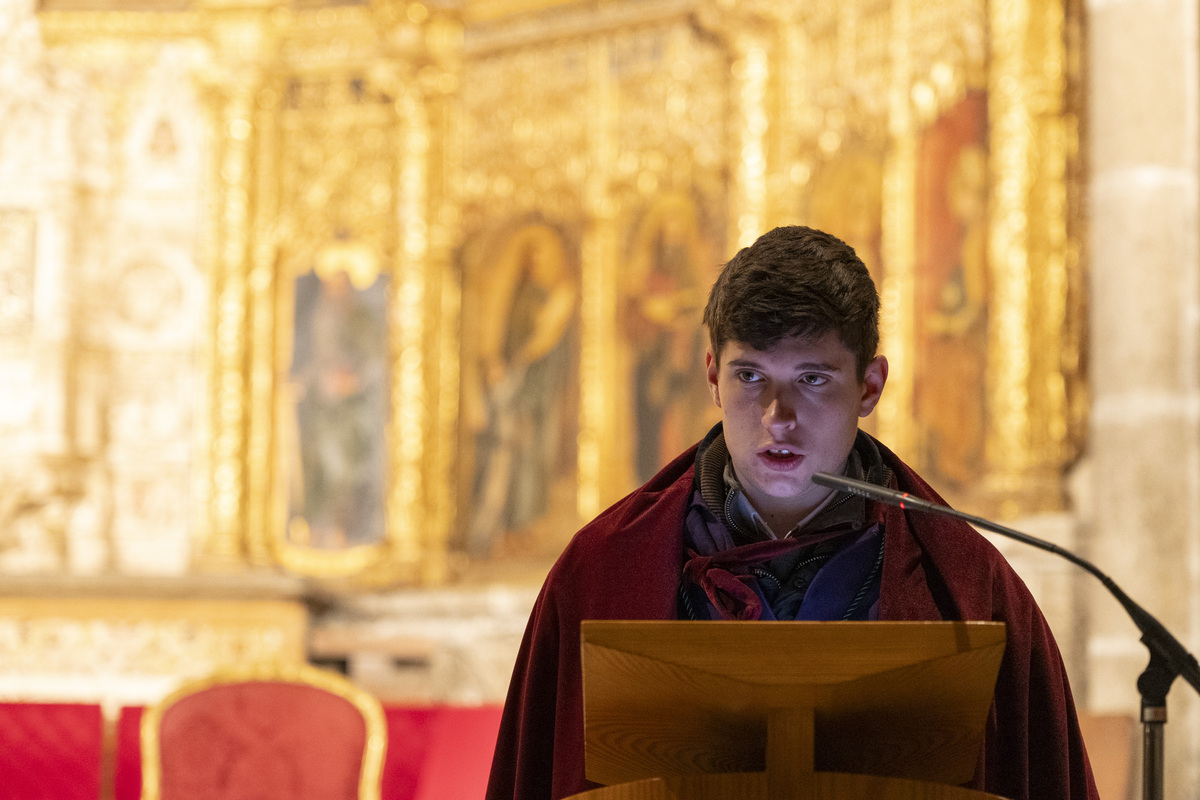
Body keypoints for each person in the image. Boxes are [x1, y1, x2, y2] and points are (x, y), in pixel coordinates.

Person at [485, 226, 1098, 800]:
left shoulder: (968, 584)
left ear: (869, 387)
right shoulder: (600, 571)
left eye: (812, 378)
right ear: (712, 377)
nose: (779, 415)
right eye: (750, 375)